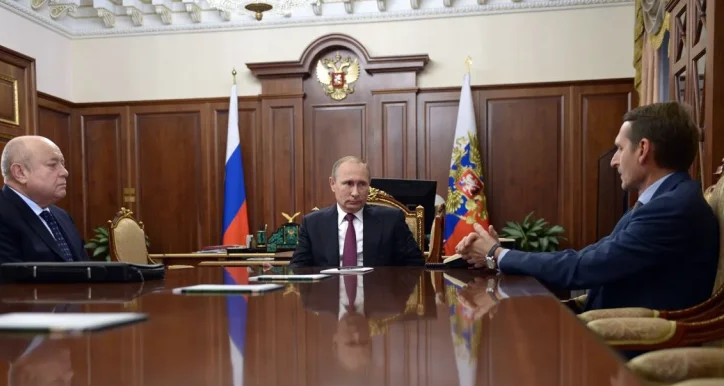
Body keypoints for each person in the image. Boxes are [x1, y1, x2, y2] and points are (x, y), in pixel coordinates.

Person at [455, 102, 719, 312]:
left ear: (642, 150)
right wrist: (498, 254)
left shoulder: (672, 209)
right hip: (609, 326)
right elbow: (591, 256)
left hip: (634, 348)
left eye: (619, 148)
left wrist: (497, 254)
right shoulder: (665, 200)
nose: (614, 160)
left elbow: (584, 268)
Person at [0, 135, 88, 287]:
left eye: (63, 164)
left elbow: (87, 270)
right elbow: (5, 286)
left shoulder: (62, 216)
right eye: (53, 165)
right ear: (20, 173)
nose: (65, 172)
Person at [289, 156, 424, 267]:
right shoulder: (313, 223)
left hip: (379, 296)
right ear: (332, 184)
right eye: (348, 183)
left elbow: (415, 266)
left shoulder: (391, 220)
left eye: (362, 184)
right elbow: (298, 269)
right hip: (329, 296)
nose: (355, 193)